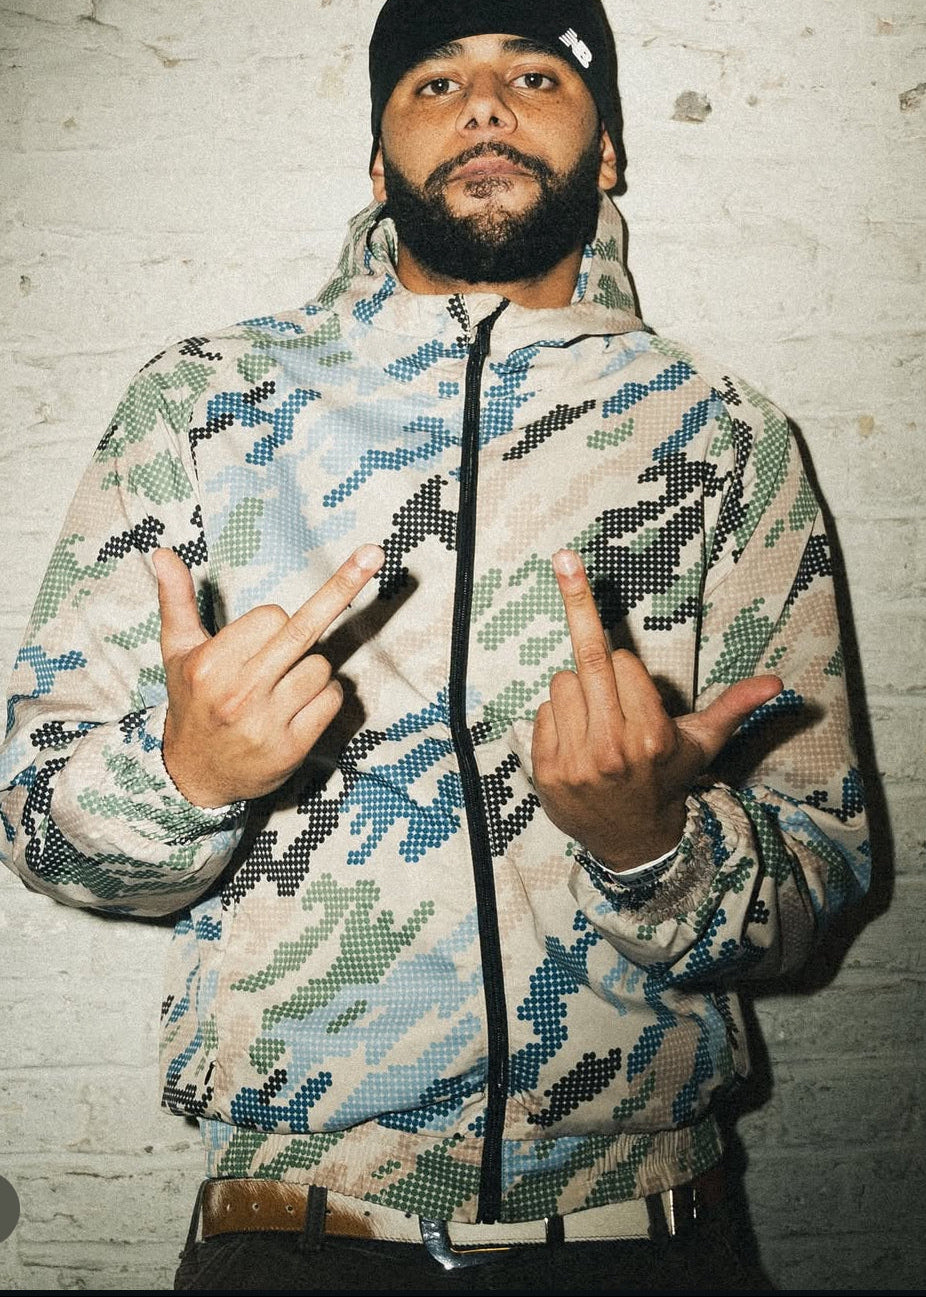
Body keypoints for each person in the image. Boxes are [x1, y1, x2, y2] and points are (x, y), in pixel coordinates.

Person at [0, 0, 869, 1291]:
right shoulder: (203, 401)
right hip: (291, 1228)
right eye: (431, 82)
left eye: (532, 73)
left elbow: (818, 880)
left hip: (647, 1233)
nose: (481, 106)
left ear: (608, 151)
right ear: (375, 162)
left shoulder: (721, 432)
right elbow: (41, 821)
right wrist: (184, 777)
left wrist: (653, 845)